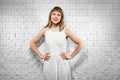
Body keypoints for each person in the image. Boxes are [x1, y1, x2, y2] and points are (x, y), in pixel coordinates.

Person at [29, 6, 84, 80]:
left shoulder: (65, 30)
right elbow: (32, 43)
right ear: (50, 16)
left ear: (61, 17)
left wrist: (71, 56)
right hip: (49, 64)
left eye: (59, 15)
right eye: (54, 14)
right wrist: (41, 55)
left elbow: (81, 43)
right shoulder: (45, 30)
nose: (56, 16)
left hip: (63, 63)